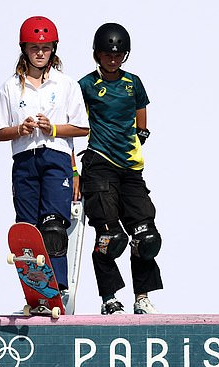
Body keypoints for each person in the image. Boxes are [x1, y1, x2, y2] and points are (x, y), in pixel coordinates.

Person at [0, 16, 89, 305]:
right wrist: (18, 129)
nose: (40, 53)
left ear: (54, 49)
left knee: (53, 228)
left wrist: (53, 128)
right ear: (24, 49)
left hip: (55, 157)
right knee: (27, 233)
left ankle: (58, 287)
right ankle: (35, 292)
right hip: (24, 160)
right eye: (34, 47)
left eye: (45, 47)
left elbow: (82, 127)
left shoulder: (66, 84)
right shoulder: (10, 87)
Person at [78, 23, 163, 315]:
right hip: (98, 164)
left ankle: (142, 297)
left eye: (118, 54)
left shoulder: (133, 82)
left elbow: (141, 117)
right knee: (109, 237)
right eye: (107, 54)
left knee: (146, 236)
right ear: (97, 54)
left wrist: (138, 137)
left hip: (130, 168)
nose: (113, 59)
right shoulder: (85, 85)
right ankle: (109, 298)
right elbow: (74, 122)